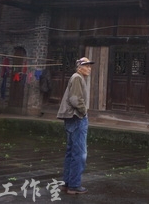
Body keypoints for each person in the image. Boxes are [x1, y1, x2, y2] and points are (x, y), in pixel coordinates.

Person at [56, 56, 94, 195]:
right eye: (87, 66)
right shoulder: (77, 77)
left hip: (72, 118)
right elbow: (75, 99)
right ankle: (74, 185)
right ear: (79, 67)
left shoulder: (77, 77)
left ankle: (67, 183)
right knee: (80, 153)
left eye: (90, 66)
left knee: (71, 152)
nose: (89, 68)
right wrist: (84, 112)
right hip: (77, 117)